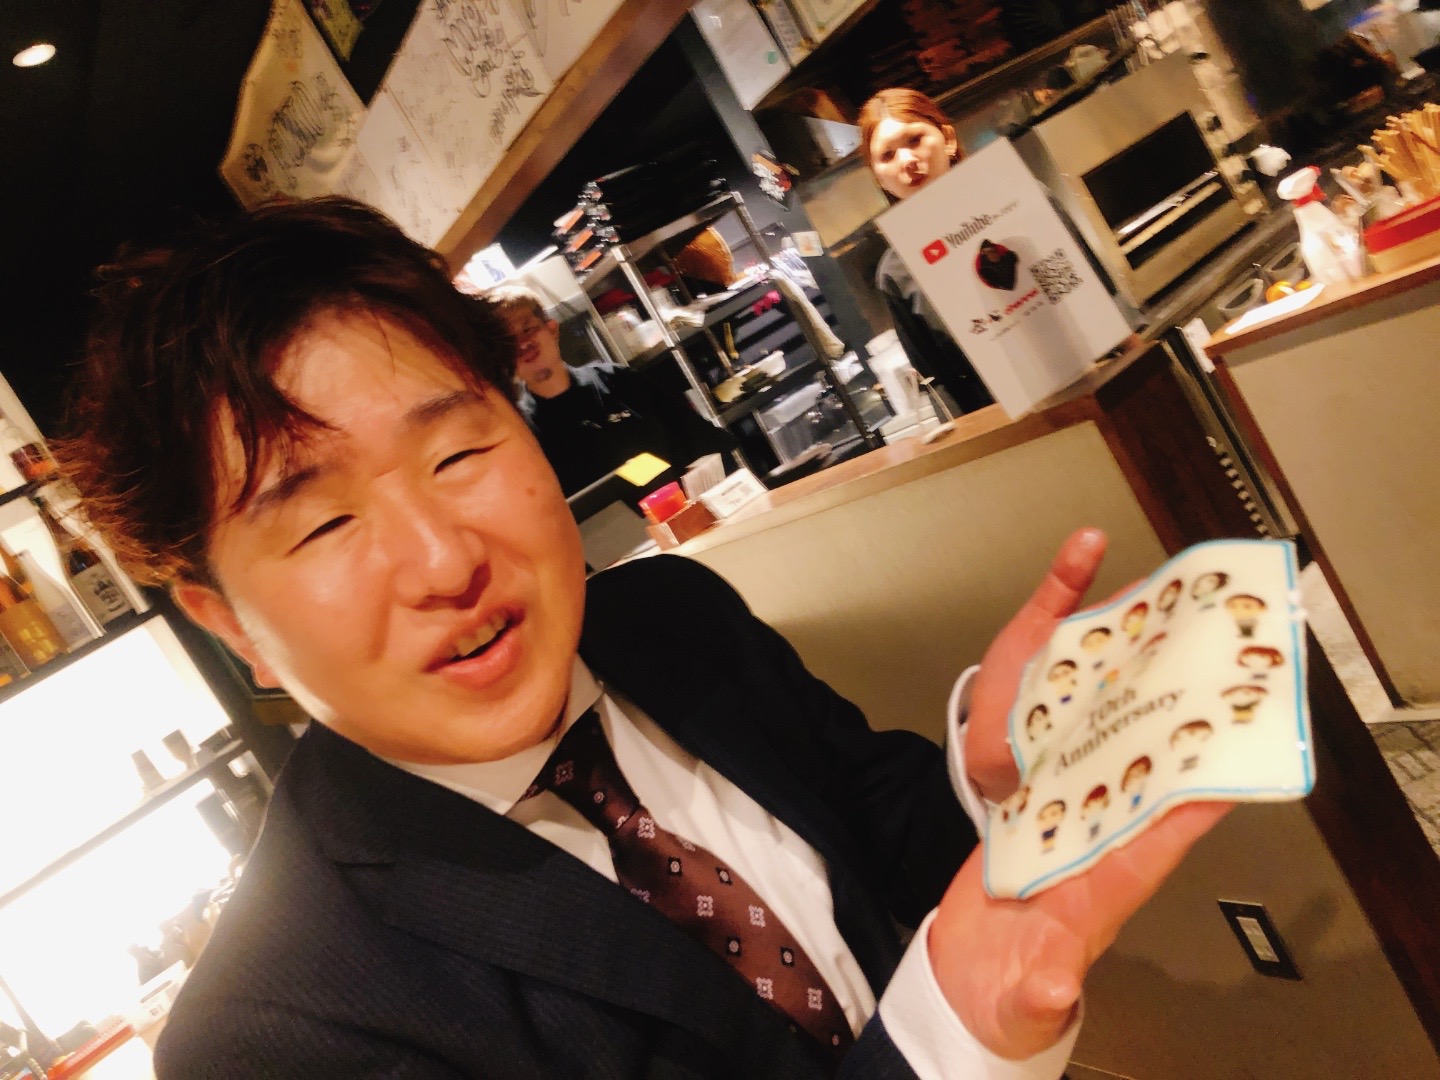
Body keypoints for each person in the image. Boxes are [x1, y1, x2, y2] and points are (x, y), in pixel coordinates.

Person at [63, 197, 1226, 1078]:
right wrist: (947, 1049)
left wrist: (995, 779)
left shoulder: (672, 620)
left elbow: (882, 840)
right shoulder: (276, 1036)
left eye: (459, 453)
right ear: (228, 621)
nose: (445, 561)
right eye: (323, 522)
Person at [859, 88, 1140, 418]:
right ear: (879, 179)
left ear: (948, 140)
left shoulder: (1023, 198)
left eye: (915, 140)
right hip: (1017, 424)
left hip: (1103, 385)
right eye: (888, 156)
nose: (907, 160)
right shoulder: (895, 273)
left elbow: (1103, 297)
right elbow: (940, 385)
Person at [488, 284, 735, 499]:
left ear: (552, 329)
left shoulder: (618, 380)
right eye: (508, 341)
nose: (523, 344)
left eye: (527, 329)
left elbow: (705, 444)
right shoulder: (521, 433)